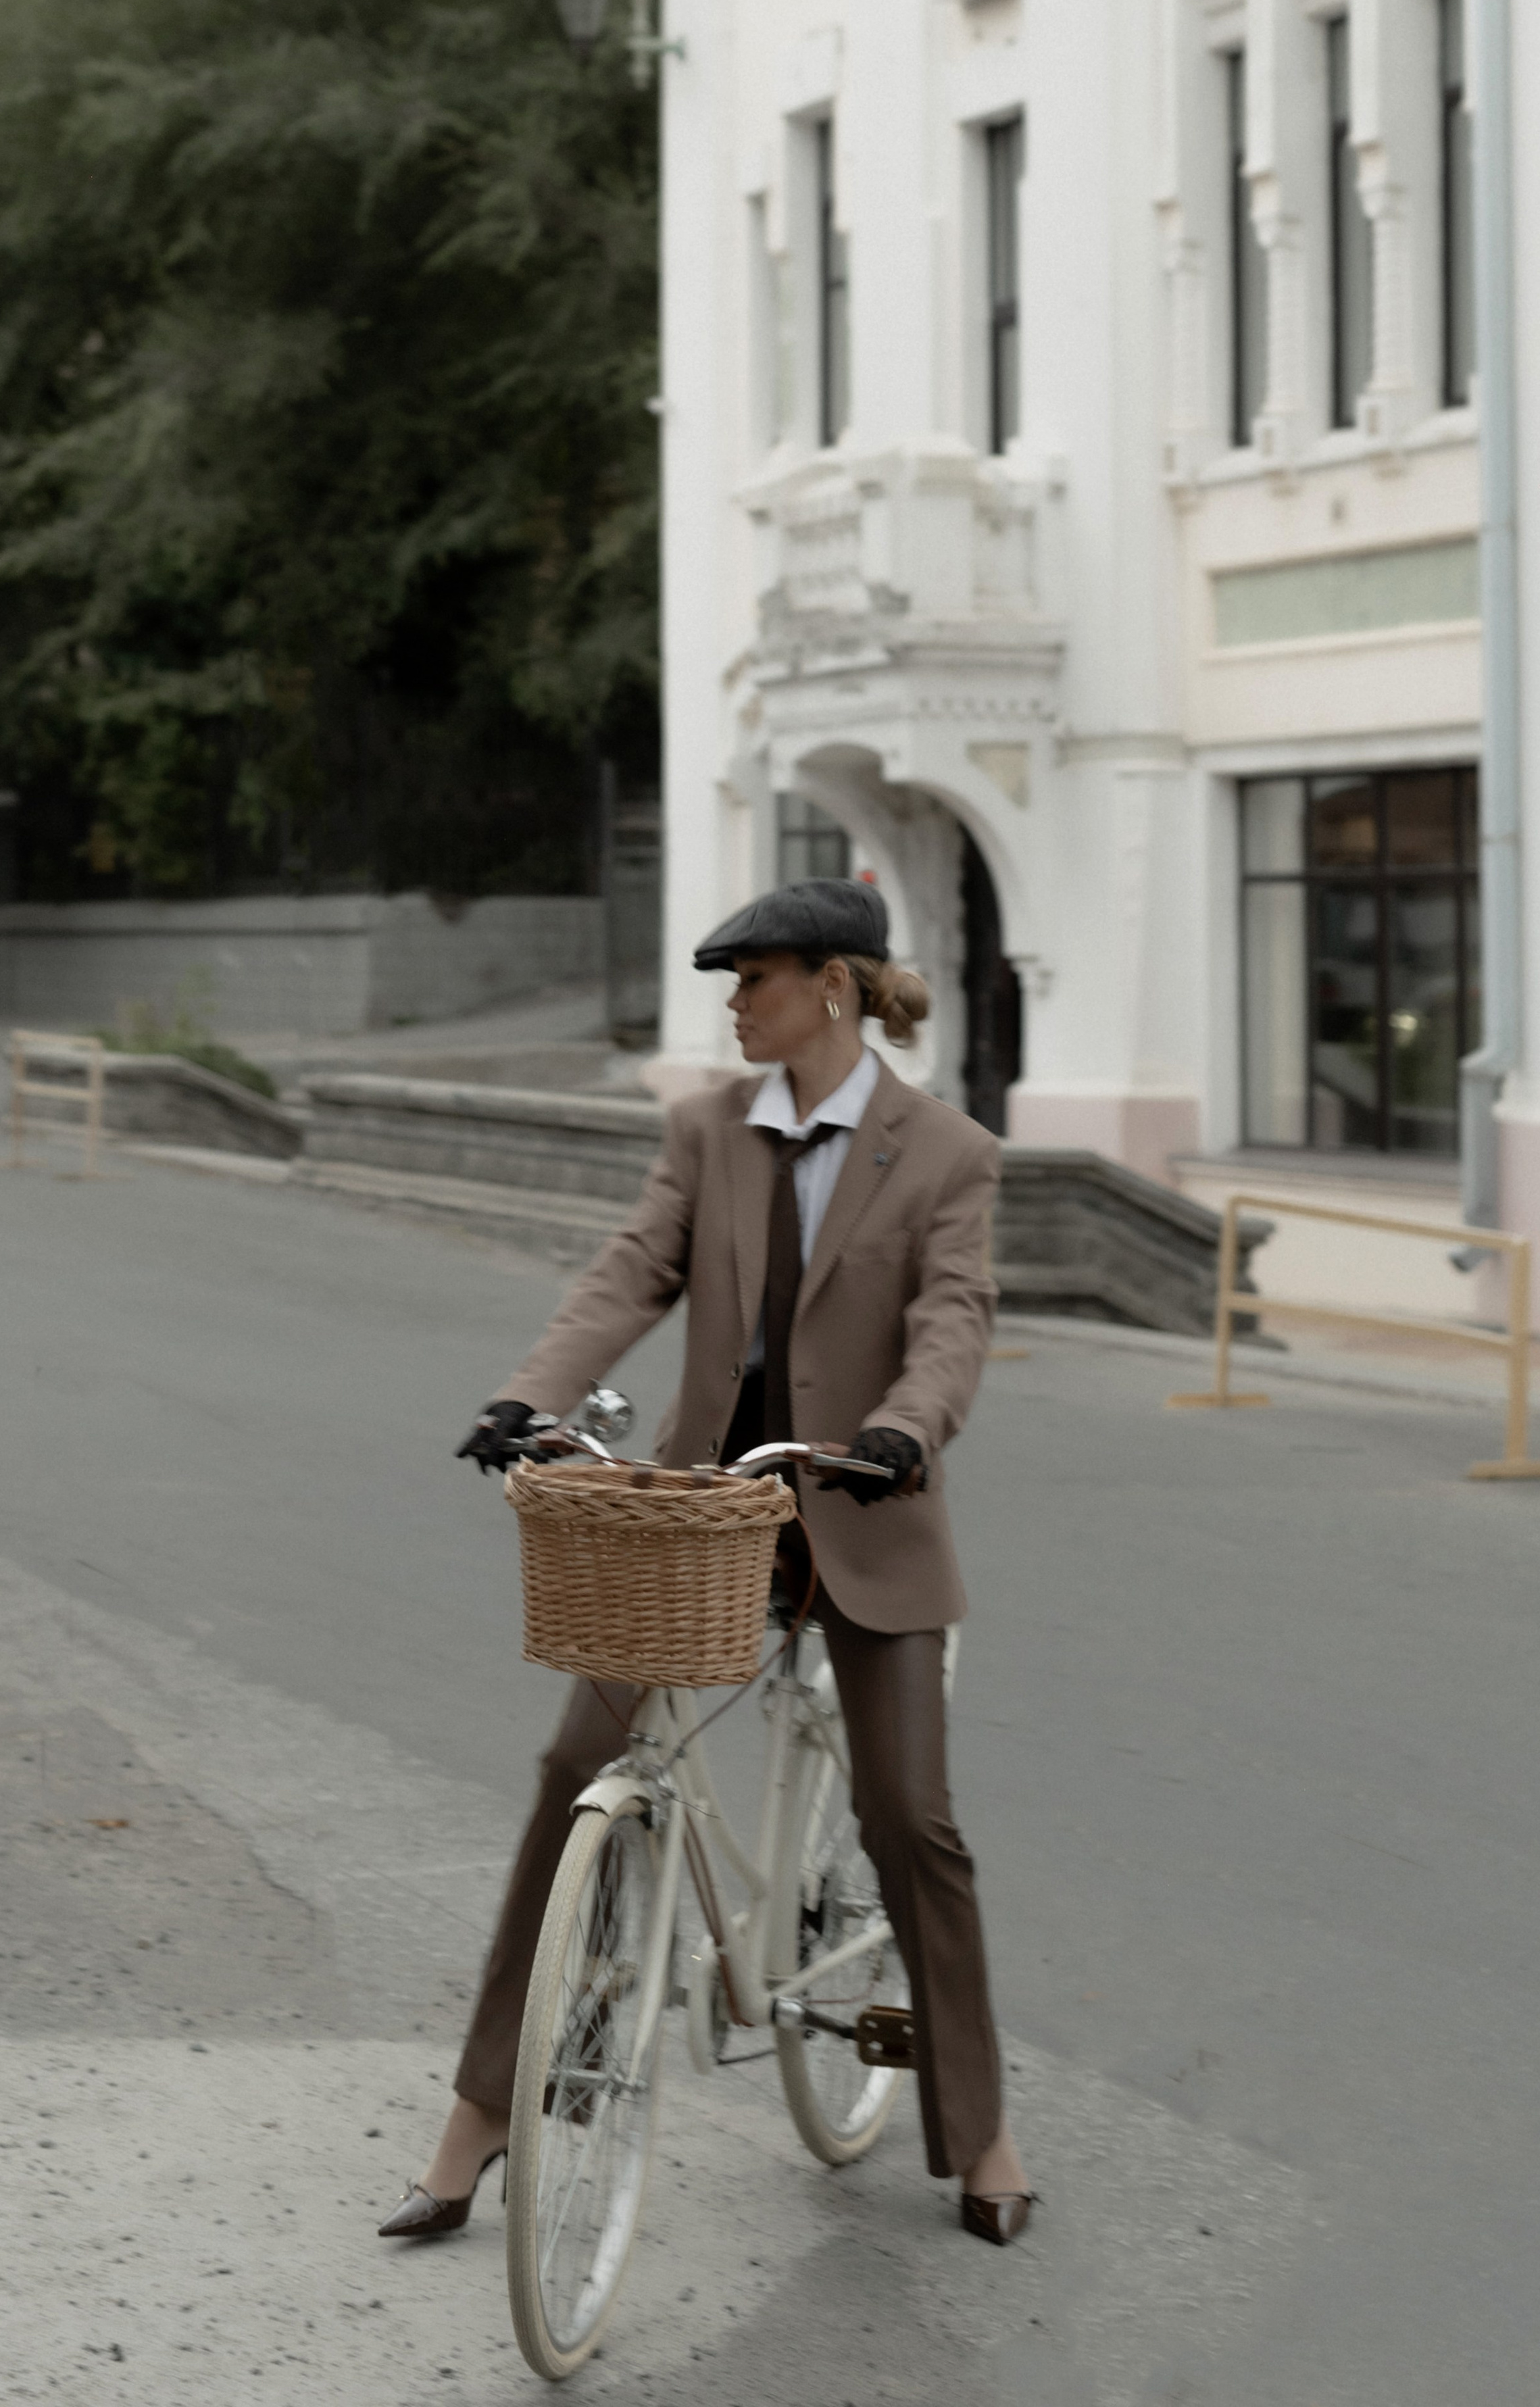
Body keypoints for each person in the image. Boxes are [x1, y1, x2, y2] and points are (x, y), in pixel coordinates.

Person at [378, 877, 1032, 2248]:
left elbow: (954, 1320)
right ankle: (483, 2110)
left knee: (910, 1819)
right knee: (576, 1769)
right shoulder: (707, 1133)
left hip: (862, 1506)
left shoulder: (946, 1153)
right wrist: (527, 1394)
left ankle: (979, 2131)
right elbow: (629, 1274)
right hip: (702, 1518)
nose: (735, 1005)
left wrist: (906, 1429)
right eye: (731, 984)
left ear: (834, 986)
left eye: (754, 980)